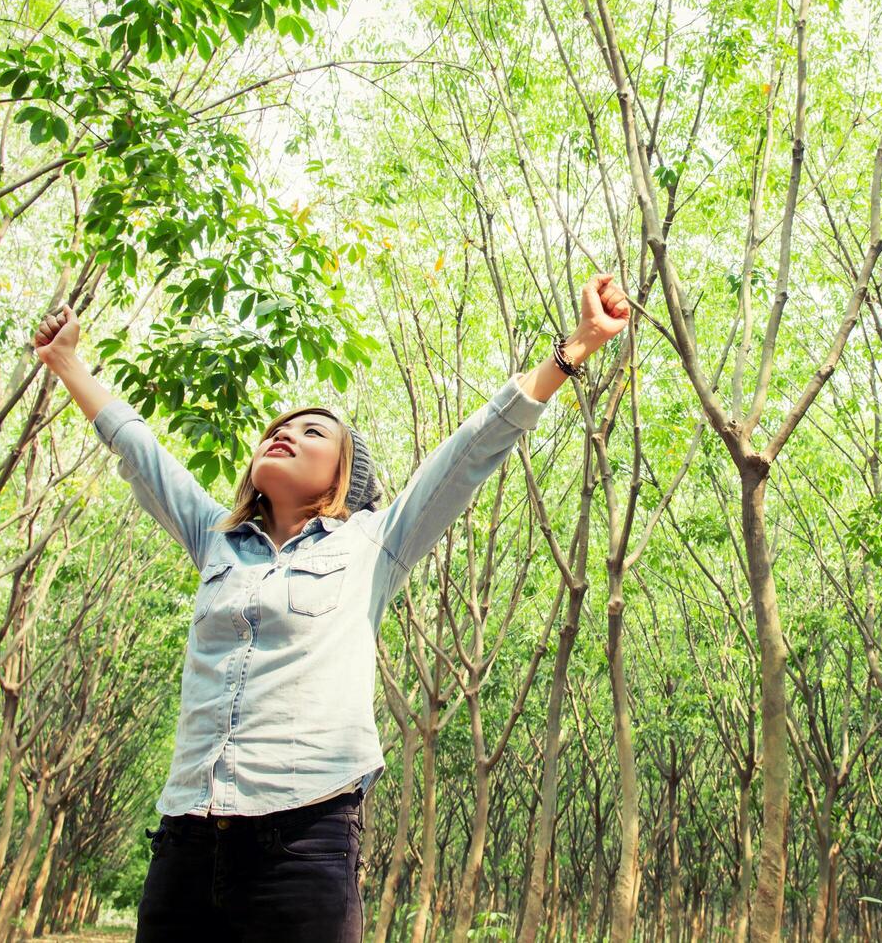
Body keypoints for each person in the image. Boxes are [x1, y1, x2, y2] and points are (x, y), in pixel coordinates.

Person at [32, 275, 629, 942]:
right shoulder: (215, 539)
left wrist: (575, 347)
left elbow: (472, 450)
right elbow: (139, 448)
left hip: (303, 840)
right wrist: (68, 363)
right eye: (276, 430)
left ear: (346, 475)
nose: (282, 435)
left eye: (310, 430)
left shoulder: (375, 543)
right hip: (187, 840)